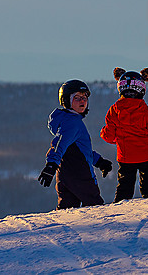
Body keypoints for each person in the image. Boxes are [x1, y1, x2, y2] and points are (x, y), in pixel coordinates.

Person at [100, 67, 148, 202]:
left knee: (124, 190)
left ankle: (118, 216)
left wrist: (108, 135)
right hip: (147, 155)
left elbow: (108, 136)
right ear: (142, 90)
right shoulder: (146, 111)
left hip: (125, 157)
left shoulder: (114, 110)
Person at [38, 79, 113, 209]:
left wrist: (99, 161)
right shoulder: (73, 122)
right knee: (95, 208)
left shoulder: (67, 120)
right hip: (81, 175)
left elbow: (79, 150)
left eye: (84, 97)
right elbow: (59, 144)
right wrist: (50, 165)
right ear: (66, 100)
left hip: (64, 175)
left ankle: (62, 230)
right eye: (77, 98)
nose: (82, 101)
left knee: (67, 209)